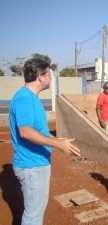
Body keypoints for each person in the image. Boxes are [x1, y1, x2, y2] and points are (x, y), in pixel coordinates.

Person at [9, 58, 81, 225]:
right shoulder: (24, 98)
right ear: (40, 77)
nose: (51, 76)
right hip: (31, 166)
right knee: (33, 217)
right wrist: (58, 144)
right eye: (49, 73)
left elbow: (38, 131)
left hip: (36, 164)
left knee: (35, 212)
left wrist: (56, 139)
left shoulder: (31, 97)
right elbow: (25, 131)